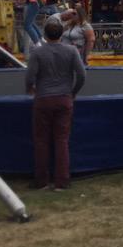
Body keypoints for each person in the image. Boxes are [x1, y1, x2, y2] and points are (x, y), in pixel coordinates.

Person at [25, 20, 86, 190]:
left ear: (44, 34)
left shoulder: (38, 52)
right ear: (61, 34)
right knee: (61, 140)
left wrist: (30, 88)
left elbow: (30, 76)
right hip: (64, 98)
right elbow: (81, 75)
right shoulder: (71, 50)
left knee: (41, 141)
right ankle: (62, 181)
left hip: (43, 98)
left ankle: (42, 180)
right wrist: (73, 92)